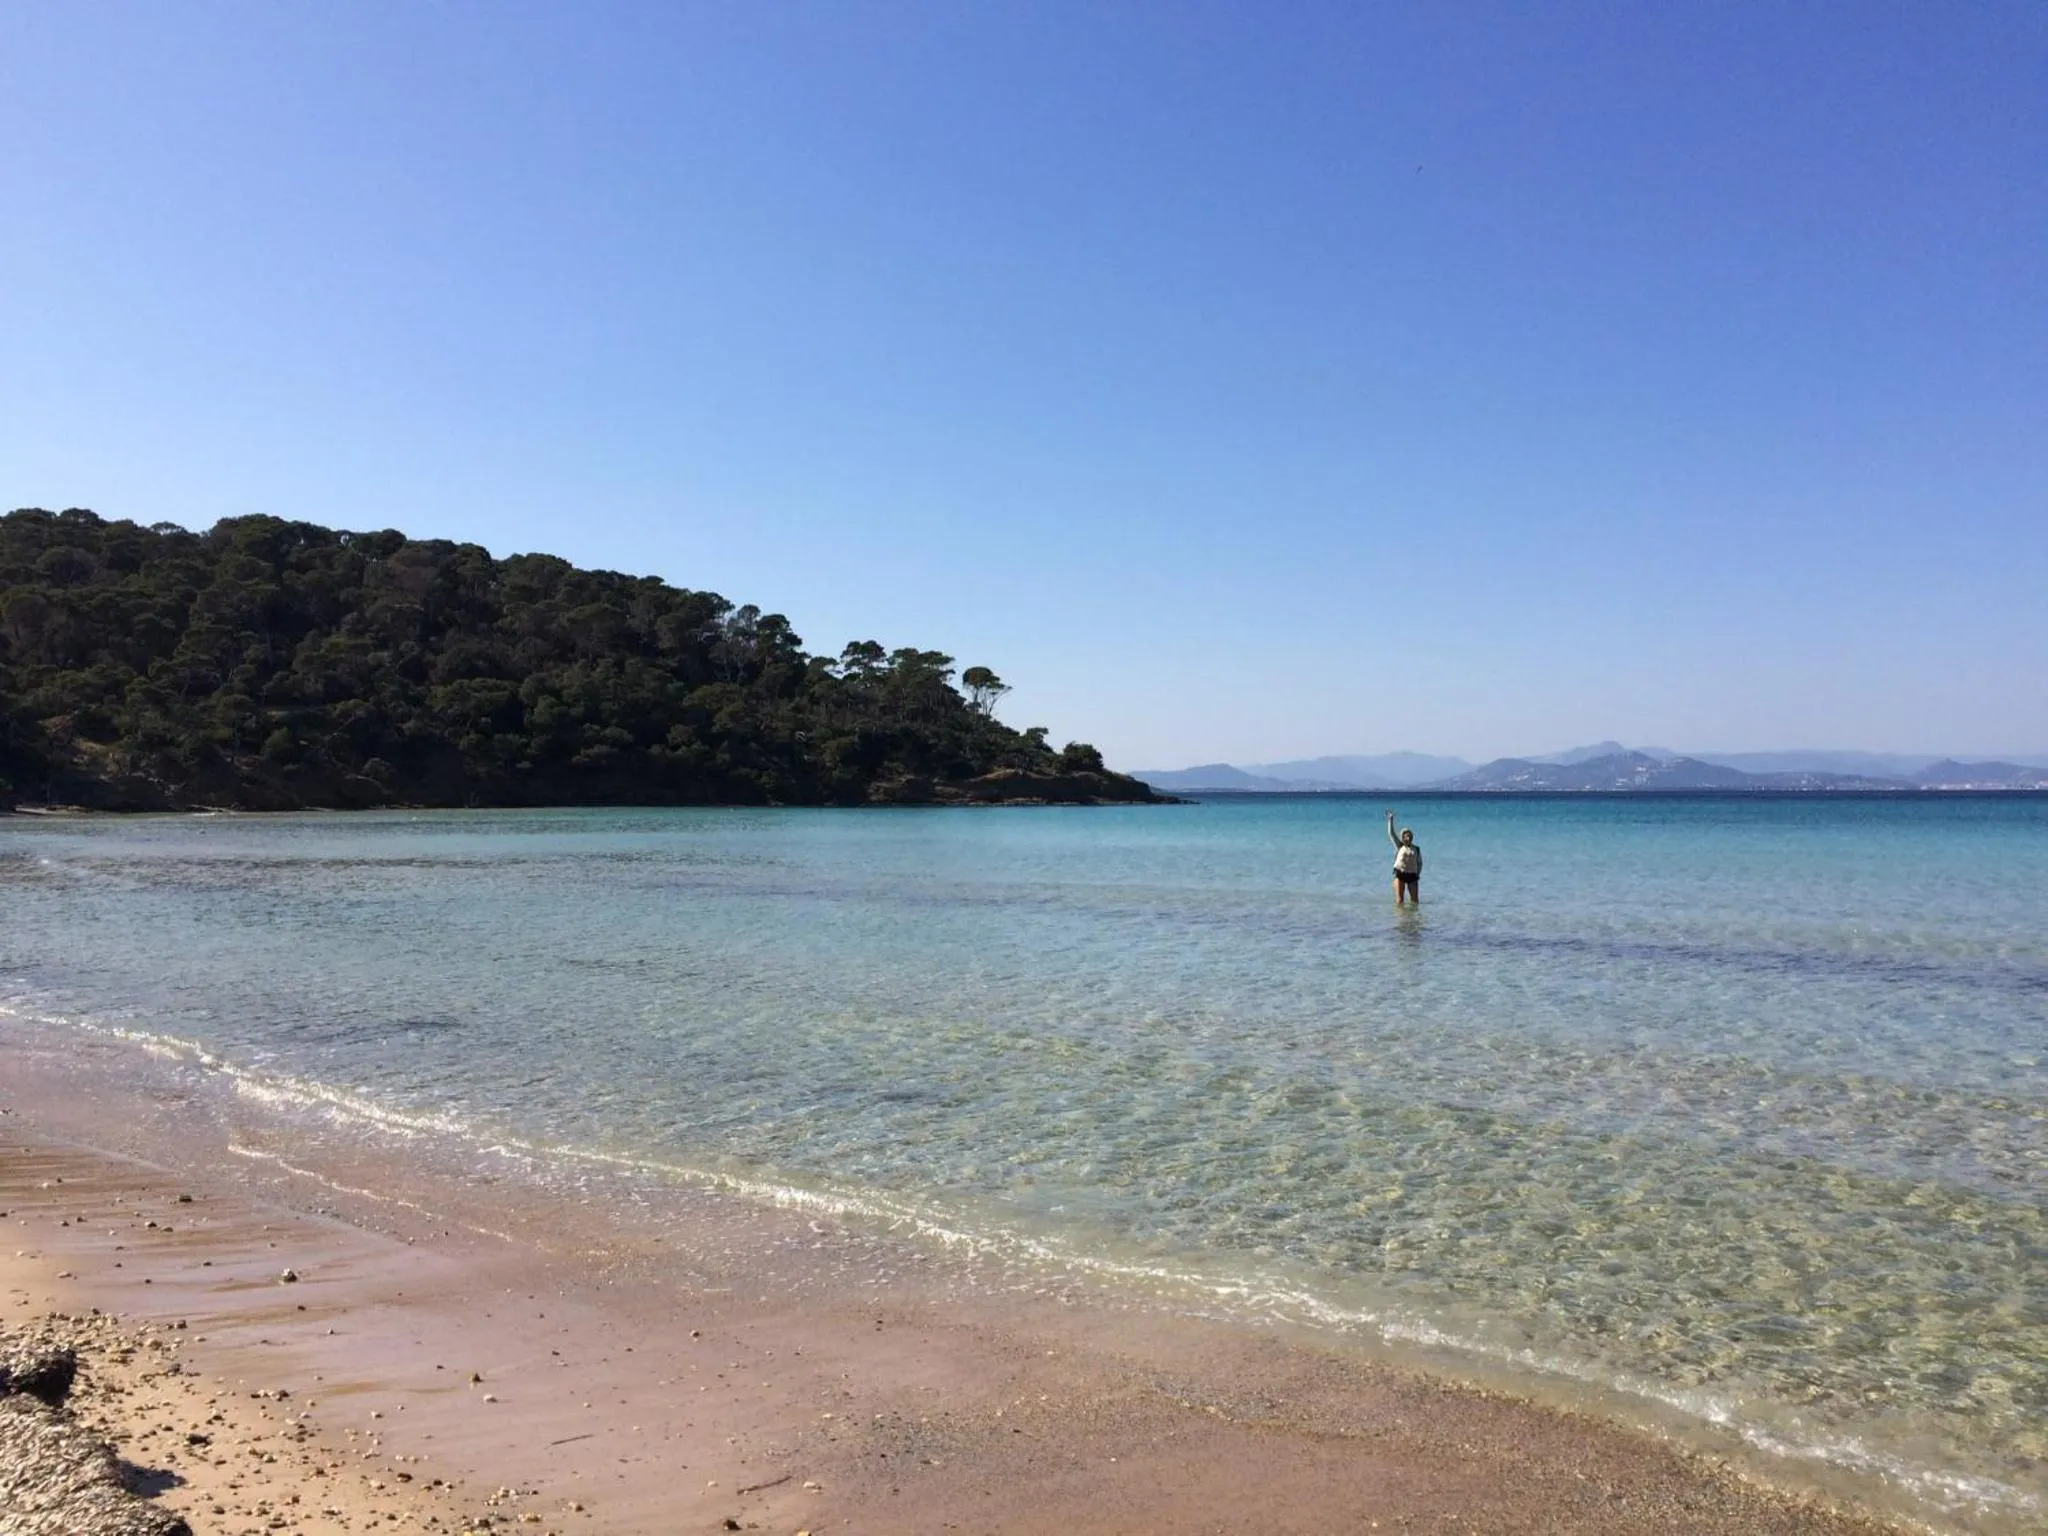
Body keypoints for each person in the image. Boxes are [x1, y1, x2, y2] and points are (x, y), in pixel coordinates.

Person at [1386, 809, 1422, 905]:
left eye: (1409, 836)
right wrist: (1390, 820)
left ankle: (1413, 918)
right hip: (1400, 874)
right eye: (1405, 836)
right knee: (1400, 901)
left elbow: (1420, 863)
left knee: (1415, 902)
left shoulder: (1417, 849)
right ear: (1402, 837)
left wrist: (1418, 874)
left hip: (1412, 876)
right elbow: (1391, 834)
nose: (1408, 838)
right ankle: (1400, 918)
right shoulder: (1399, 846)